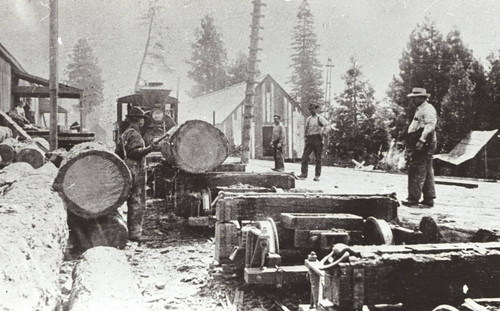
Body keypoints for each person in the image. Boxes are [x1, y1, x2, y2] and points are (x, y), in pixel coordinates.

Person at [118, 106, 159, 241]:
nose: (143, 122)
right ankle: (135, 234)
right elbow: (134, 152)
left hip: (127, 167)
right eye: (141, 119)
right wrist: (149, 149)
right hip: (136, 168)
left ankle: (131, 231)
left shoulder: (125, 133)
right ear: (138, 120)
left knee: (131, 201)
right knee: (137, 201)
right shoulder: (135, 134)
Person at [402, 87, 437, 208]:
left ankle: (413, 198)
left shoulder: (428, 109)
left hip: (425, 140)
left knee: (416, 168)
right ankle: (429, 197)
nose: (413, 100)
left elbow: (430, 126)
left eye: (415, 97)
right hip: (421, 138)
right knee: (426, 169)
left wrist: (422, 140)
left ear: (423, 97)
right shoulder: (420, 109)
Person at [297, 104, 331, 181]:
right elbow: (306, 129)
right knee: (304, 157)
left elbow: (328, 125)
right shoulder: (308, 119)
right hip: (310, 139)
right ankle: (304, 174)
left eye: (313, 109)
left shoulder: (320, 118)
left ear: (315, 109)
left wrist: (325, 132)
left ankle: (317, 176)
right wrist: (305, 137)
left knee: (318, 158)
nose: (312, 110)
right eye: (310, 109)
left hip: (317, 139)